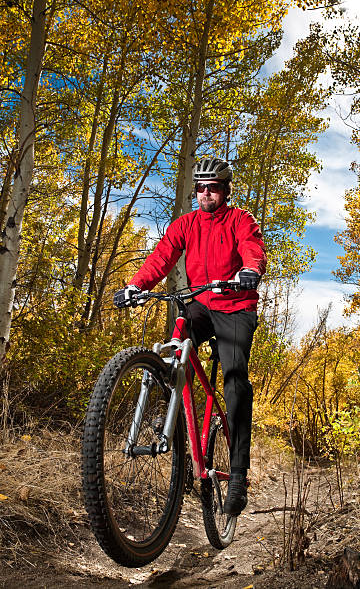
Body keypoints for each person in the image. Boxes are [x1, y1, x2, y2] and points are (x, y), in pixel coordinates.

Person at [113, 157, 267, 515]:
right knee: (175, 344)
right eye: (200, 188)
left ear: (225, 191)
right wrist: (135, 286)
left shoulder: (241, 220)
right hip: (200, 303)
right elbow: (161, 257)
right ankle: (170, 418)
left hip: (235, 307)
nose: (206, 194)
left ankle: (240, 474)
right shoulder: (185, 224)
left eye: (212, 187)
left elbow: (252, 248)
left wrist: (250, 269)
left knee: (234, 381)